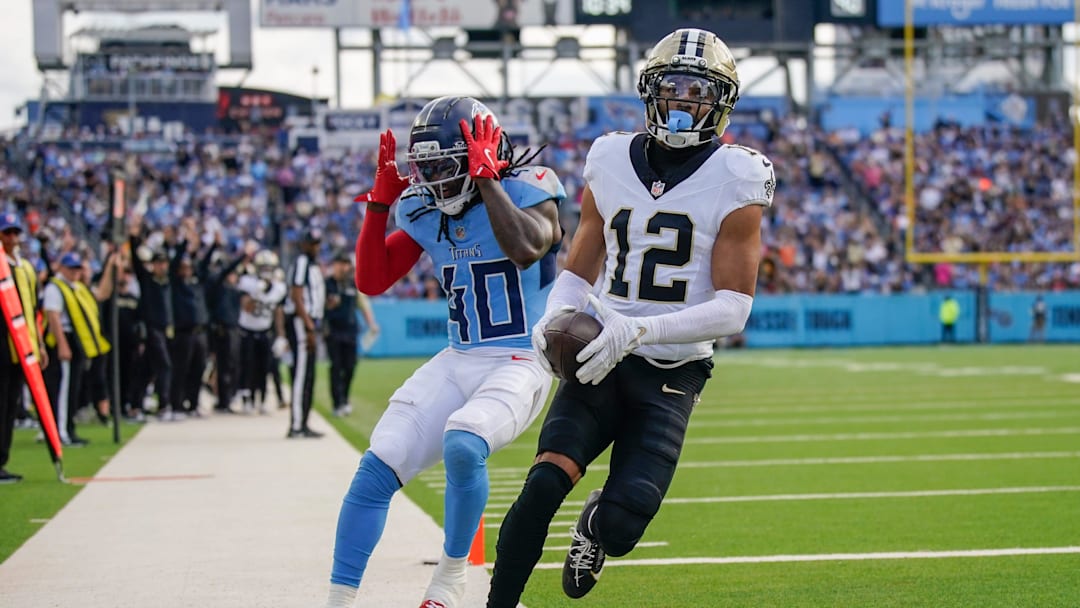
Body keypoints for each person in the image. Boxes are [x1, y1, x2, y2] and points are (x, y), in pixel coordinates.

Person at [486, 28, 774, 606]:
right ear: (651, 90)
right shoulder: (610, 157)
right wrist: (558, 315)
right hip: (598, 354)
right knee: (543, 482)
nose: (684, 100)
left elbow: (734, 307)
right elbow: (580, 259)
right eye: (673, 87)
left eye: (699, 90)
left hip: (671, 368)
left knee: (622, 527)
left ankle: (593, 528)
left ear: (720, 101)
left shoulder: (739, 174)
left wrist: (640, 329)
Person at [321, 96, 564, 608]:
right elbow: (372, 279)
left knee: (463, 439)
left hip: (521, 357)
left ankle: (450, 582)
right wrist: (380, 207)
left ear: (484, 153)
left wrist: (487, 181)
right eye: (426, 168)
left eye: (446, 166)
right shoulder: (423, 207)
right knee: (378, 462)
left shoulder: (530, 188)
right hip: (460, 355)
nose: (436, 181)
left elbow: (527, 248)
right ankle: (338, 601)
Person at [0, 213, 47, 483]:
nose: (13, 239)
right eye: (8, 234)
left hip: (21, 347)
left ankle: (3, 459)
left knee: (10, 407)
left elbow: (33, 309)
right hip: (3, 348)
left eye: (16, 233)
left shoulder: (26, 268)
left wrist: (38, 343)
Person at [323, 250, 378, 417]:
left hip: (350, 330)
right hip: (333, 330)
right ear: (334, 265)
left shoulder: (353, 284)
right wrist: (330, 305)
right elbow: (321, 306)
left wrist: (371, 324)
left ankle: (345, 399)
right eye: (341, 264)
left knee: (350, 367)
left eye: (346, 264)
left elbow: (363, 304)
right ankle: (337, 403)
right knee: (336, 366)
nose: (344, 267)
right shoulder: (327, 284)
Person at [285, 229, 326, 437]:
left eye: (318, 243)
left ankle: (304, 422)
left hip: (311, 321)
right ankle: (296, 425)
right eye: (312, 243)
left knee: (309, 374)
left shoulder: (312, 265)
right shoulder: (301, 262)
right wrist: (308, 325)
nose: (316, 247)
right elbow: (296, 295)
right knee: (301, 374)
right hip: (302, 322)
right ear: (304, 244)